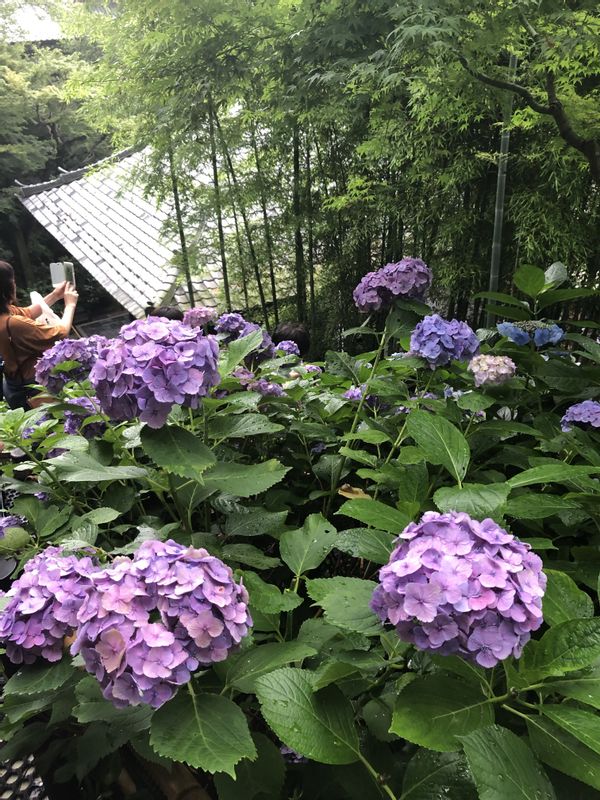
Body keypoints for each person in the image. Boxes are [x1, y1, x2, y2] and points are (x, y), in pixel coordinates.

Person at [0, 260, 78, 409]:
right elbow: (60, 333)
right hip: (32, 392)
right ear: (7, 288)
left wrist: (55, 295)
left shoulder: (5, 314)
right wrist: (70, 305)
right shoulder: (13, 324)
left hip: (13, 387)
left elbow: (30, 312)